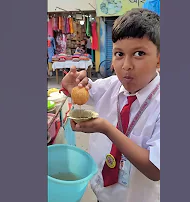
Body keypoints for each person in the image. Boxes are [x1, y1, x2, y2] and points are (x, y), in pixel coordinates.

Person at [60, 8, 160, 202]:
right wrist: (71, 86)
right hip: (103, 193)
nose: (126, 65)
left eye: (139, 53)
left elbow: (155, 169)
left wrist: (107, 129)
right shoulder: (111, 85)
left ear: (159, 58)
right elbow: (83, 92)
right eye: (119, 54)